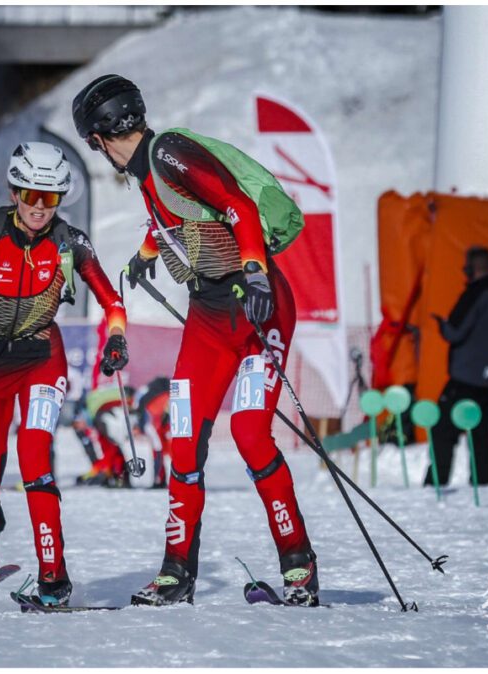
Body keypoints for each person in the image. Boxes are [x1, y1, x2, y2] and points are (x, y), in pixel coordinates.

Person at [72, 75, 319, 606]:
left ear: (98, 138)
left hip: (259, 308)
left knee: (251, 433)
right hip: (209, 318)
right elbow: (178, 214)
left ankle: (298, 564)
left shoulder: (168, 153)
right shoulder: (149, 171)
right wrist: (146, 253)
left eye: (94, 143)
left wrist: (254, 271)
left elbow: (235, 205)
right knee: (183, 443)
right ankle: (176, 571)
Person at [0, 141, 128, 607]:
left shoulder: (70, 242)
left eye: (50, 198)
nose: (39, 207)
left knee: (35, 460)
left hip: (40, 359)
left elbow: (112, 302)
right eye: (31, 195)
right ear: (15, 192)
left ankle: (54, 579)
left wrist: (116, 338)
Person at [425, 246, 488, 487]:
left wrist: (442, 325)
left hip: (468, 376)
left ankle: (436, 484)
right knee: (481, 434)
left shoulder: (478, 292)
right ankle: (483, 485)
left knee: (443, 431)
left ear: (472, 268)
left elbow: (455, 331)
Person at [135, 375, 172, 488]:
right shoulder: (167, 395)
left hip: (154, 423)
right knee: (164, 451)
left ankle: (159, 479)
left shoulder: (147, 396)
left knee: (158, 450)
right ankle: (161, 478)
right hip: (160, 423)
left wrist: (140, 427)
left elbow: (142, 411)